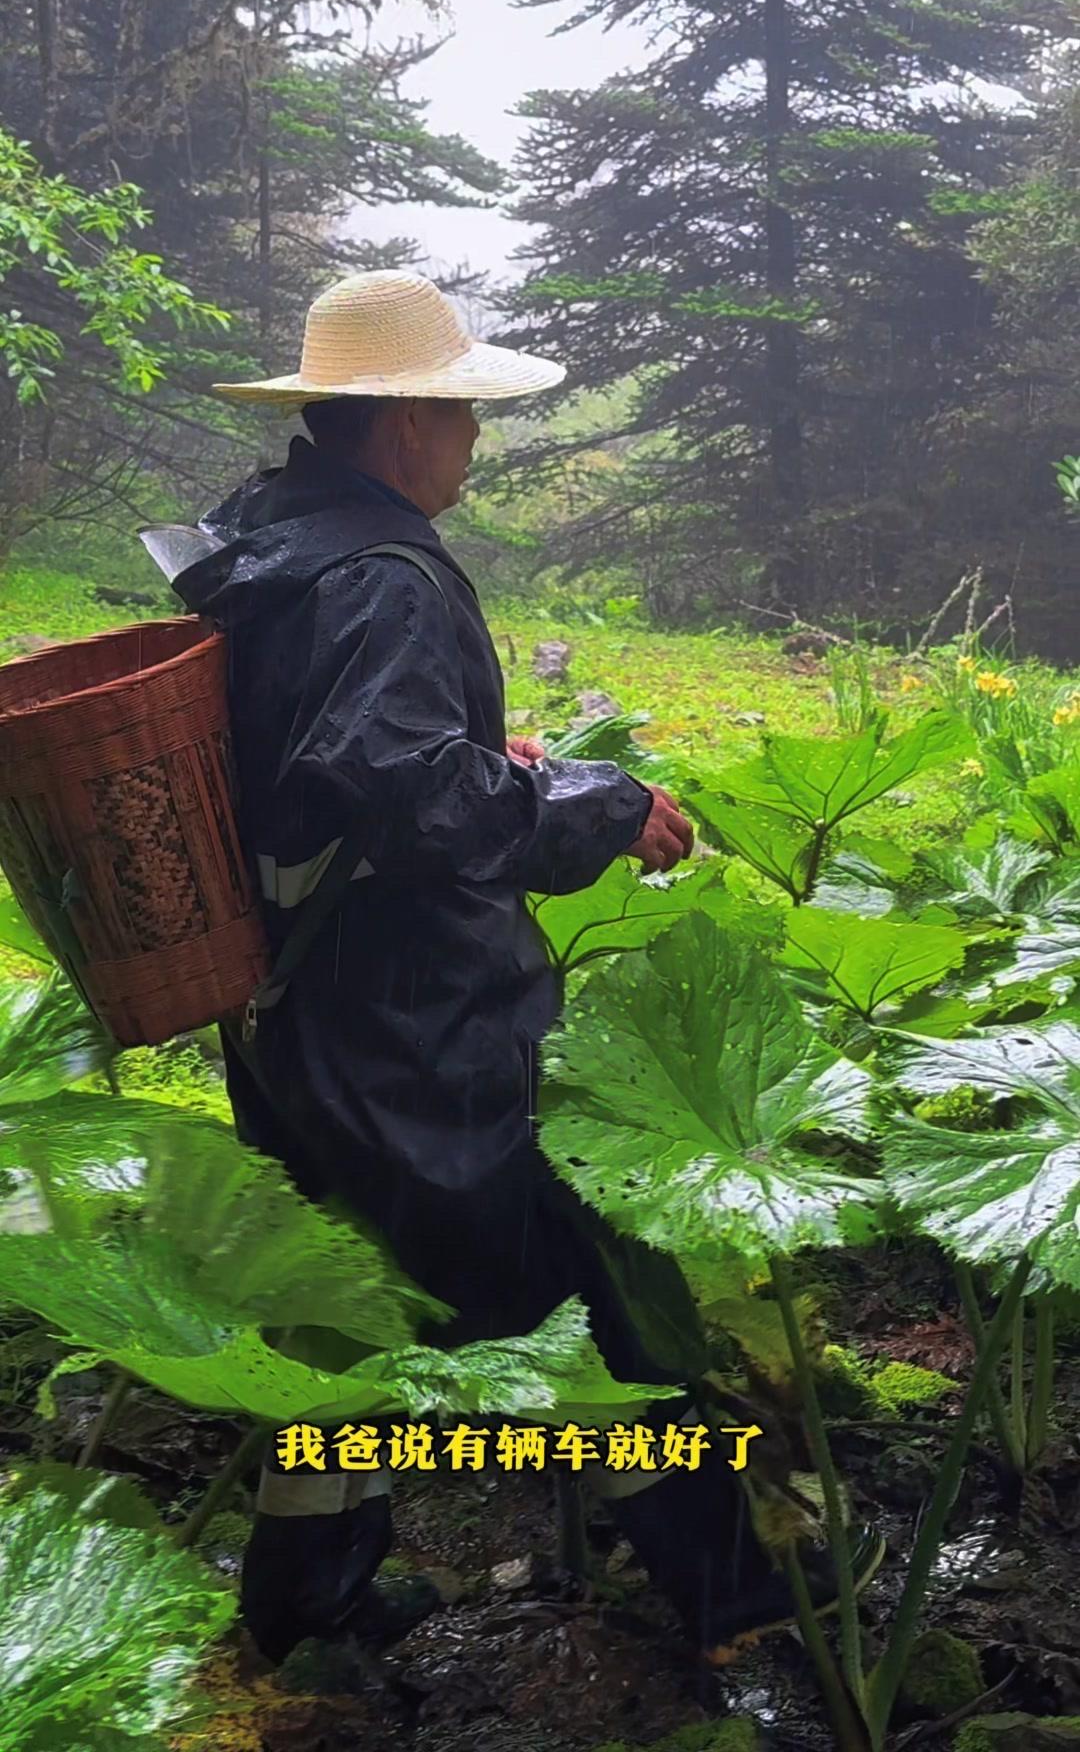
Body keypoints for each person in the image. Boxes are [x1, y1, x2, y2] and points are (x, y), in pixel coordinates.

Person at [175, 270, 881, 1674]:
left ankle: (310, 1599)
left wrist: (477, 753)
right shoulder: (382, 576)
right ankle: (740, 1591)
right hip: (404, 1025)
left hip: (285, 1006)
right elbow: (409, 796)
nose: (475, 440)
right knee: (562, 1307)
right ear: (405, 423)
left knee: (343, 1309)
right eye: (462, 415)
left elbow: (317, 759)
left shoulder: (269, 539)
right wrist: (599, 806)